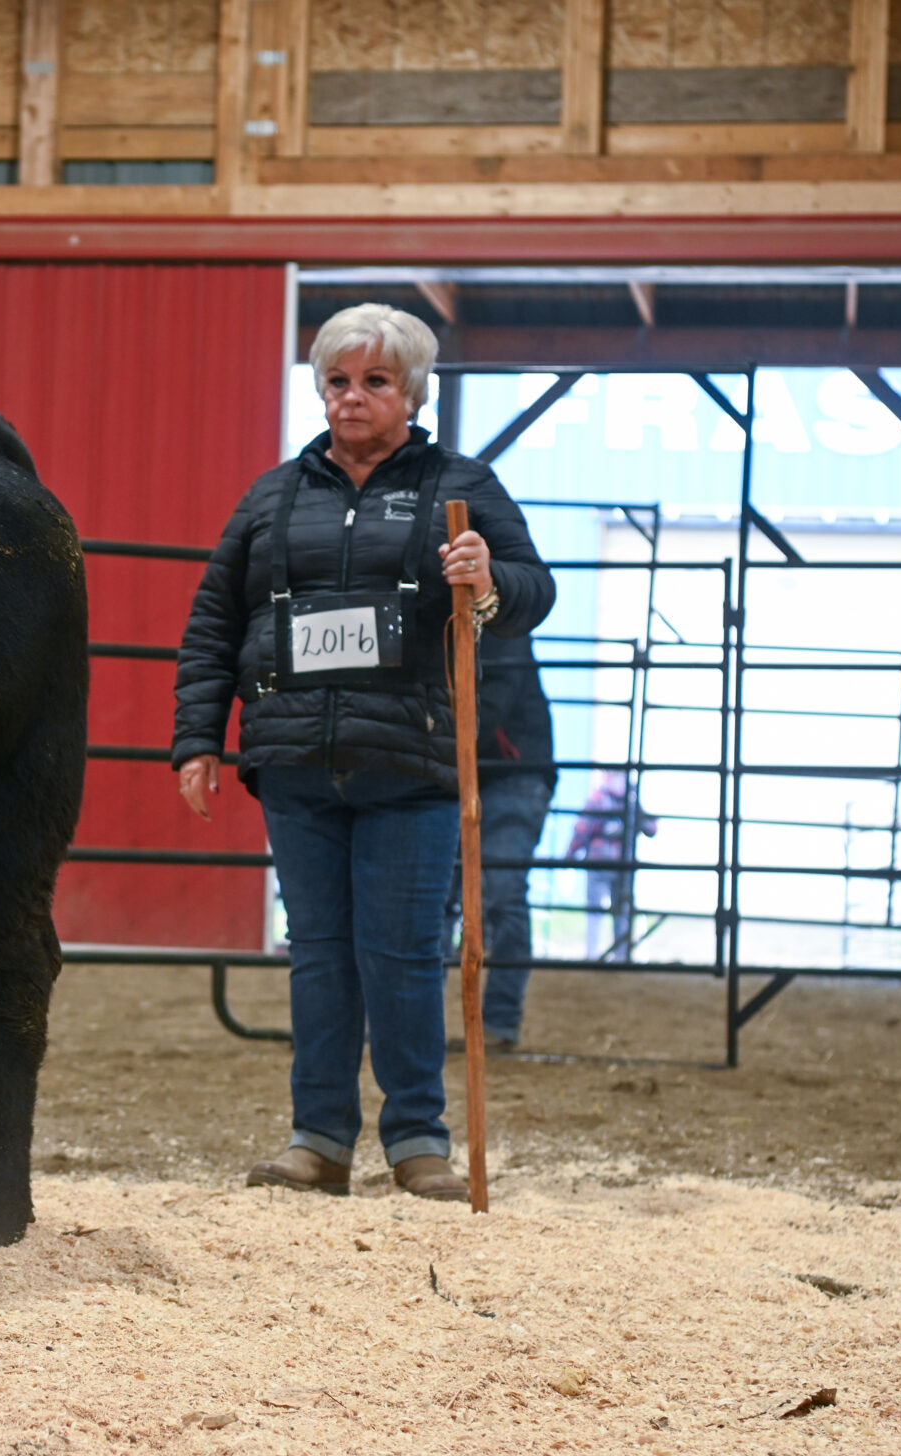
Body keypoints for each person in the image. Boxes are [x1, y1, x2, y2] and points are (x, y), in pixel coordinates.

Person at [173, 304, 556, 1201]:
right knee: (320, 953)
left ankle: (418, 1139)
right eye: (339, 381)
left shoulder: (460, 484)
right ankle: (319, 1140)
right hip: (296, 759)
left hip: (410, 763)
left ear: (413, 394)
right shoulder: (272, 495)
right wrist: (199, 739)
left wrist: (487, 578)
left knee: (404, 952)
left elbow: (535, 589)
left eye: (375, 382)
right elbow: (214, 622)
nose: (353, 398)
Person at [451, 630, 556, 1051]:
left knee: (502, 891)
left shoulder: (502, 626)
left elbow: (490, 704)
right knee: (438, 896)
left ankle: (499, 1021)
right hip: (469, 770)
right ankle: (415, 1021)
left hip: (511, 772)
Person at [565, 771, 657, 961]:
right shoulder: (629, 801)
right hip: (621, 864)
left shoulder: (602, 799)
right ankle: (619, 955)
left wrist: (570, 854)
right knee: (619, 909)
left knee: (600, 910)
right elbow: (651, 828)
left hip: (601, 862)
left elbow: (582, 829)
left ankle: (595, 955)